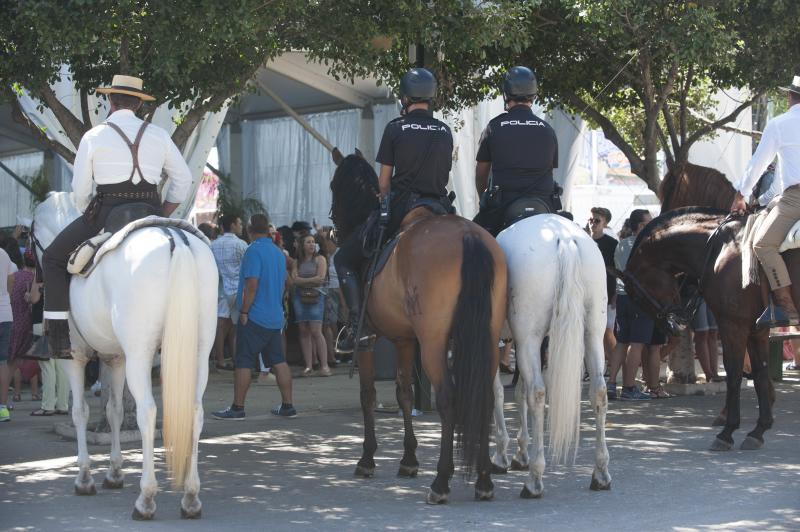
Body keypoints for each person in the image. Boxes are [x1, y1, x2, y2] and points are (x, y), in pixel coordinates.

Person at [41, 75, 192, 358]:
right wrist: (165, 212)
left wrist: (86, 208)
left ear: (110, 100)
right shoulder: (158, 135)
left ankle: (59, 338)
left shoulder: (94, 136)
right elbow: (183, 179)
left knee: (52, 258)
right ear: (138, 103)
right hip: (151, 210)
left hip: (107, 213)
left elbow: (81, 189)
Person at [334, 67, 453, 353]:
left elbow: (384, 182)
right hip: (439, 206)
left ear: (404, 98)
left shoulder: (396, 128)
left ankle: (356, 327)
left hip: (404, 205)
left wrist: (383, 199)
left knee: (343, 259)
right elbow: (444, 173)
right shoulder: (444, 130)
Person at [731, 74, 800, 328]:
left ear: (789, 96)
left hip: (796, 200)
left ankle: (786, 306)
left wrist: (742, 195)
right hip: (787, 196)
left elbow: (758, 164)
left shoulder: (780, 124)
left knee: (762, 244)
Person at [213, 213, 296, 419]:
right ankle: (288, 405)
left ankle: (238, 407)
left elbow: (251, 285)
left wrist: (244, 311)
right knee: (279, 361)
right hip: (274, 316)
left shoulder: (253, 251)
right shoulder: (278, 253)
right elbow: (289, 283)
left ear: (250, 231)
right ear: (268, 230)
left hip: (254, 317)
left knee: (243, 362)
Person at [473, 66, 560, 235]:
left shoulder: (494, 127)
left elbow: (481, 172)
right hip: (544, 204)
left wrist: (483, 198)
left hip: (504, 205)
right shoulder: (547, 129)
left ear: (506, 94)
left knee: (472, 242)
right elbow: (550, 170)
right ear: (534, 96)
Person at [607, 209, 653, 401]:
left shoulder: (621, 245)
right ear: (641, 226)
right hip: (641, 298)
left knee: (621, 342)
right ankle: (629, 387)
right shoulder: (649, 245)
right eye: (649, 222)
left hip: (623, 297)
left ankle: (610, 383)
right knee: (636, 344)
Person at [210, 213, 249, 370]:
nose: (241, 226)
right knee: (236, 327)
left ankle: (220, 359)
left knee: (222, 326)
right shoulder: (241, 244)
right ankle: (236, 358)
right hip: (239, 290)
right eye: (239, 223)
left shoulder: (213, 245)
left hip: (221, 290)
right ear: (232, 225)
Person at [291, 234, 330, 376]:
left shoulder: (320, 259)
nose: (312, 245)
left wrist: (303, 281)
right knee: (303, 330)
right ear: (302, 245)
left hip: (316, 297)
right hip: (299, 298)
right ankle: (308, 366)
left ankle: (324, 365)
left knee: (316, 330)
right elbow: (294, 279)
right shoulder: (297, 262)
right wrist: (310, 281)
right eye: (308, 242)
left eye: (313, 242)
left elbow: (321, 278)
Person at [588, 207, 618, 365]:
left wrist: (615, 296)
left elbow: (618, 270)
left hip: (607, 293)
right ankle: (596, 365)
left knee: (607, 331)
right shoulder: (585, 241)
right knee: (591, 332)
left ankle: (615, 363)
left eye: (597, 220)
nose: (592, 223)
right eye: (591, 220)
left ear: (605, 223)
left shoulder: (612, 244)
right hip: (588, 294)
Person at [0, 246, 18, 421]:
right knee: (3, 362)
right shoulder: (4, 254)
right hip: (5, 314)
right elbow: (11, 280)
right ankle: (2, 408)